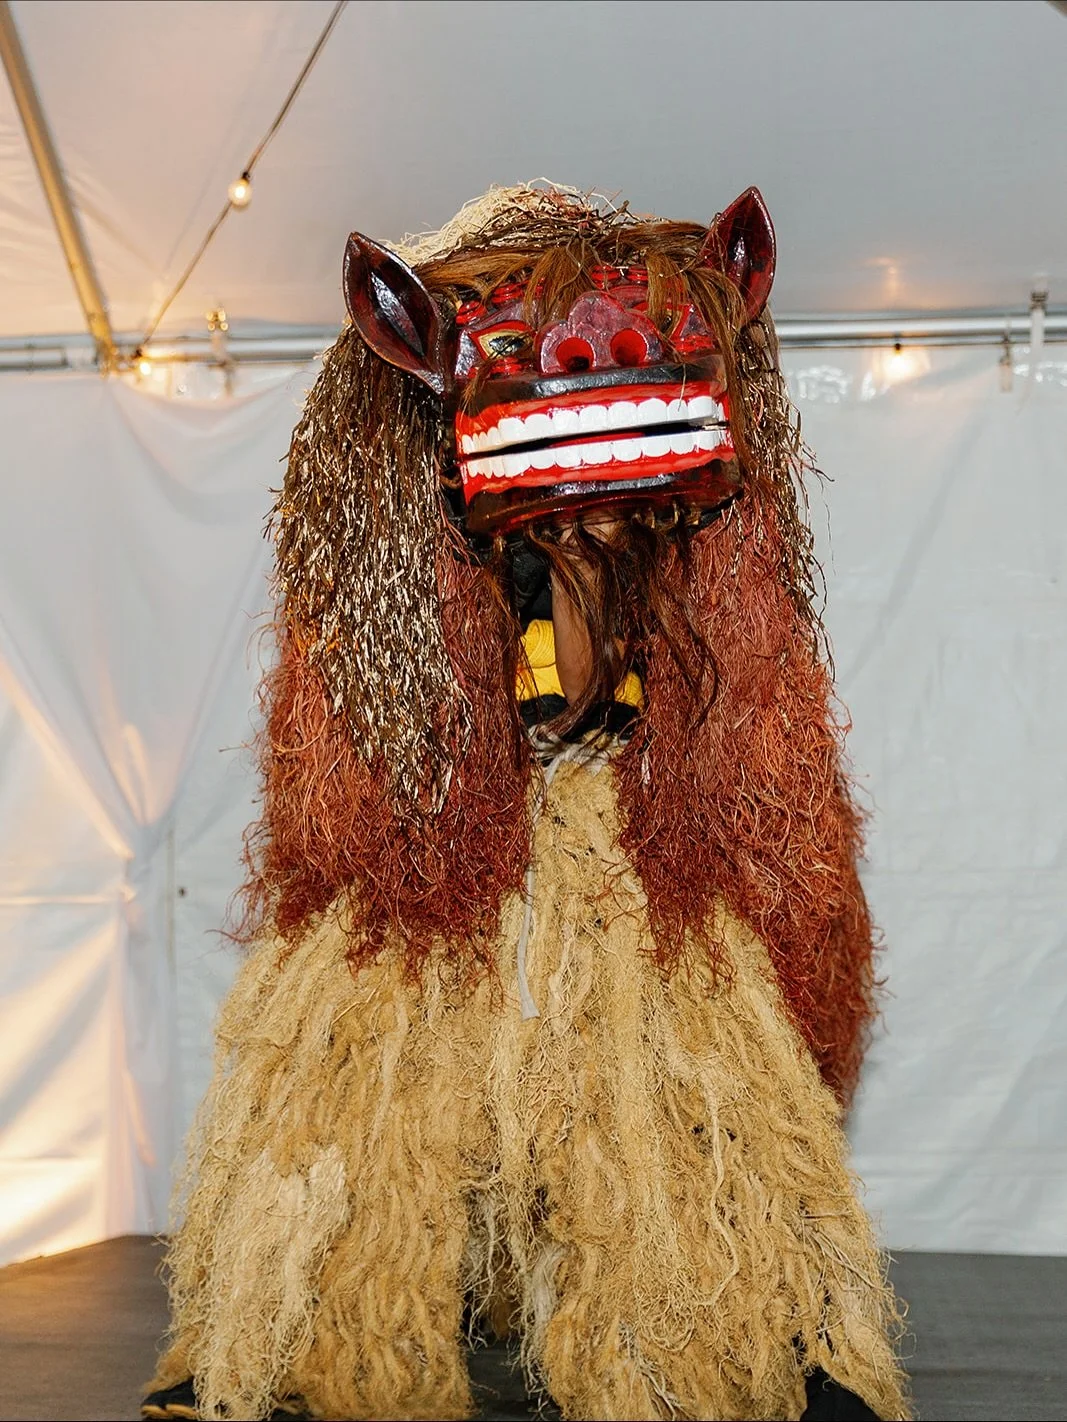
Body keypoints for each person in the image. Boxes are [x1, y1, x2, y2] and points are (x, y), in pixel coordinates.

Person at [142, 184, 910, 1421]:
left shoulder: (664, 539)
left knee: (680, 1101)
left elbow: (654, 689)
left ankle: (735, 1342)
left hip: (616, 848)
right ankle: (304, 1353)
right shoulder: (412, 559)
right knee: (365, 1090)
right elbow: (434, 719)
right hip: (455, 842)